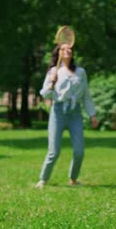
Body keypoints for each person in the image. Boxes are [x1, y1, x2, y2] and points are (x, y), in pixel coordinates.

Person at [35, 43, 98, 188]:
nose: (68, 50)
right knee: (54, 152)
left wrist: (92, 114)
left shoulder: (81, 72)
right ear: (59, 53)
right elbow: (44, 94)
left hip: (75, 113)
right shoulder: (53, 71)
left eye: (70, 49)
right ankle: (43, 180)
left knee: (79, 151)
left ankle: (73, 179)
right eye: (64, 49)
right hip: (58, 112)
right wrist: (51, 83)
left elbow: (86, 96)